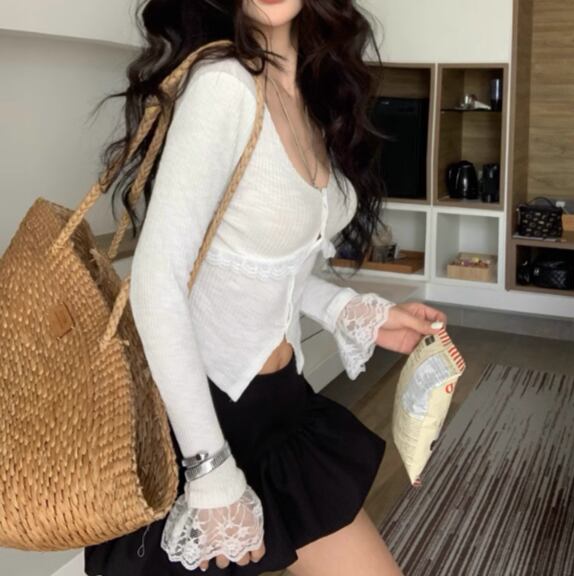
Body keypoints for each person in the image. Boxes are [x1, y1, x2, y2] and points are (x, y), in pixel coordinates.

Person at [84, 1, 447, 575]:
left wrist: (357, 312)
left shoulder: (308, 89)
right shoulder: (223, 85)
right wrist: (207, 468)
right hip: (202, 416)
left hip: (280, 406)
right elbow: (157, 281)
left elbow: (267, 266)